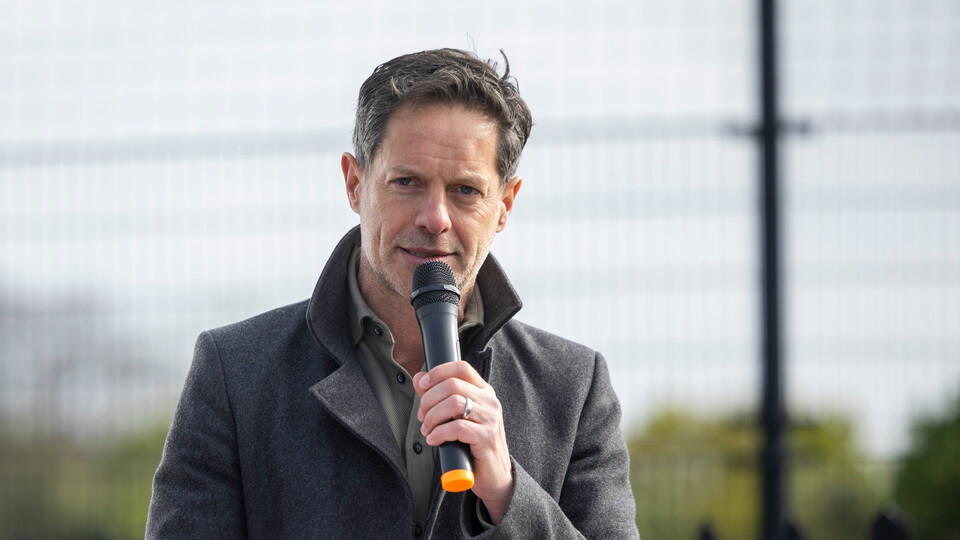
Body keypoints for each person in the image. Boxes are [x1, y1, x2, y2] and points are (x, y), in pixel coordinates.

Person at [147, 48, 639, 539]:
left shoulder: (573, 389)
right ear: (355, 184)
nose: (436, 218)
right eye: (407, 182)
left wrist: (507, 493)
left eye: (466, 190)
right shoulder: (235, 374)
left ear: (505, 205)